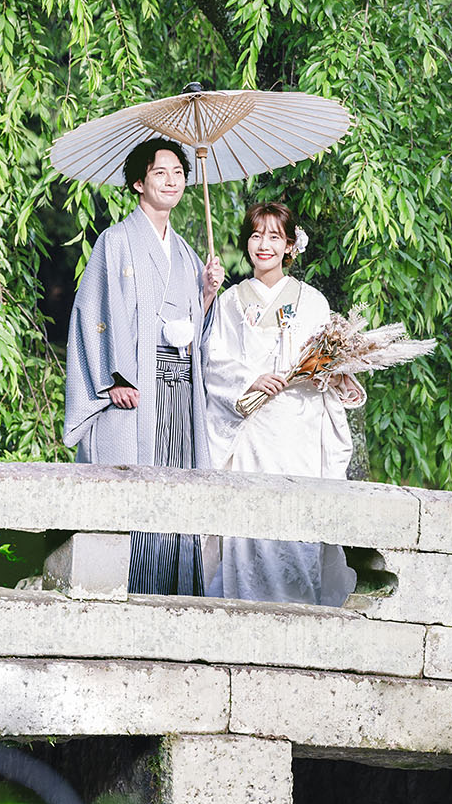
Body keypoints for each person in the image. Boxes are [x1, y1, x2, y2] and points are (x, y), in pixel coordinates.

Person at [63, 137, 224, 595]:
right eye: (160, 172)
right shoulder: (114, 243)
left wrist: (207, 294)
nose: (171, 180)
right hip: (136, 390)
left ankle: (176, 593)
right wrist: (113, 378)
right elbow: (92, 314)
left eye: (178, 173)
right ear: (138, 182)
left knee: (176, 487)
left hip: (178, 391)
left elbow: (195, 326)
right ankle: (132, 591)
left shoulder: (191, 255)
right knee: (138, 493)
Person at [202, 201, 359, 606]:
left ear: (290, 246)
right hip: (252, 430)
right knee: (248, 523)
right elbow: (213, 362)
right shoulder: (231, 301)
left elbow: (328, 366)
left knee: (296, 526)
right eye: (256, 235)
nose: (263, 245)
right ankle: (241, 610)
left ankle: (300, 613)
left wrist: (330, 371)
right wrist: (248, 379)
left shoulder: (313, 303)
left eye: (274, 236)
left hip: (299, 429)